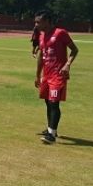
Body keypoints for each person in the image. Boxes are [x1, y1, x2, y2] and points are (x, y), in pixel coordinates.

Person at [34, 11, 78, 144]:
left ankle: (51, 135)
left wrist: (67, 65)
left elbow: (75, 50)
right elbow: (41, 57)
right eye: (35, 22)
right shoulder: (42, 36)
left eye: (38, 22)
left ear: (47, 21)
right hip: (46, 75)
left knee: (54, 102)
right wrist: (37, 75)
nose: (36, 24)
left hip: (58, 75)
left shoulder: (60, 33)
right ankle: (50, 128)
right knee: (48, 102)